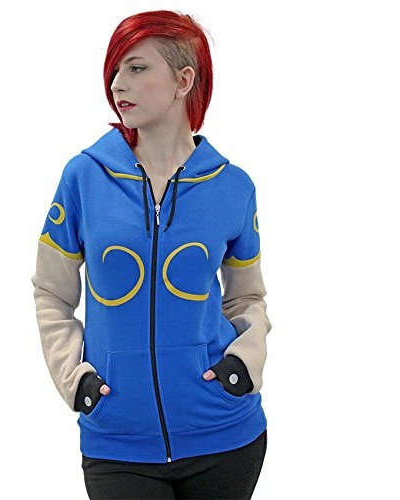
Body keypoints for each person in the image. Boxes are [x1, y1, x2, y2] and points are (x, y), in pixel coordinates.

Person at [32, 9, 271, 500]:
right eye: (115, 70)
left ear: (184, 80)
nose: (118, 83)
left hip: (225, 434)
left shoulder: (232, 186)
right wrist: (74, 379)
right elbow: (51, 292)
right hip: (117, 440)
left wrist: (244, 365)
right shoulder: (83, 178)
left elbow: (246, 298)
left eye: (137, 67)